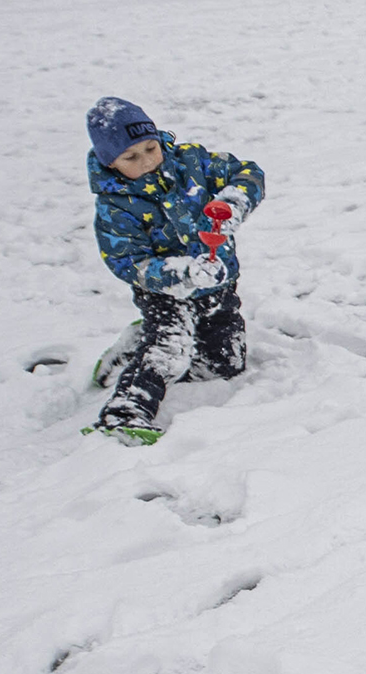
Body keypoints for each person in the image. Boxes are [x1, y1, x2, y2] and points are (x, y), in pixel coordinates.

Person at [83, 97, 266, 445]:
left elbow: (248, 172)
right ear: (110, 162)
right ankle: (124, 414)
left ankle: (139, 342)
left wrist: (231, 202)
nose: (147, 161)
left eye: (151, 148)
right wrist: (179, 275)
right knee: (169, 351)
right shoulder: (115, 206)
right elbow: (129, 262)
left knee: (225, 364)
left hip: (218, 281)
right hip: (164, 291)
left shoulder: (192, 163)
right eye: (131, 158)